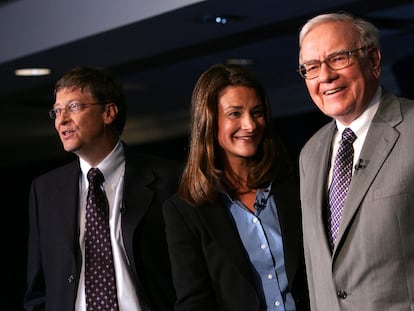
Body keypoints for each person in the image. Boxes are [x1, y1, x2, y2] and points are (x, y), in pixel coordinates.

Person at [24, 66, 180, 311]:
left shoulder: (170, 180)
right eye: (56, 111)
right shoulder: (44, 190)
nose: (61, 119)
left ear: (109, 112)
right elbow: (38, 288)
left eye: (74, 107)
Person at [163, 63, 310, 311]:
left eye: (257, 112)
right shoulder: (184, 211)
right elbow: (194, 302)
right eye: (235, 114)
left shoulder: (295, 184)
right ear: (209, 121)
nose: (250, 125)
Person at [297, 12, 414, 310]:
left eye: (338, 58)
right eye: (311, 67)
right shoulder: (309, 154)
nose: (325, 76)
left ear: (373, 60)